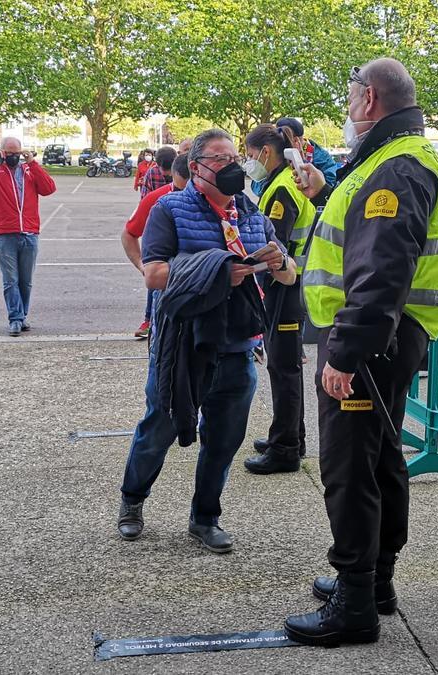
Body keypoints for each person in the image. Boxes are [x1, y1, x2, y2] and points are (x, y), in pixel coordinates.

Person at [284, 58, 438, 646]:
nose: (347, 107)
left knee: (350, 467)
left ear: (369, 98)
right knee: (381, 459)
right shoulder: (394, 158)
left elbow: (382, 268)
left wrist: (347, 352)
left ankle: (355, 602)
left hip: (369, 339)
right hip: (386, 337)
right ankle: (374, 583)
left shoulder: (397, 165)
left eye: (351, 94)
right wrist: (328, 191)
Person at [116, 129, 295, 554]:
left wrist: (280, 261)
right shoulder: (169, 209)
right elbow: (154, 274)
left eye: (235, 157)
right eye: (219, 158)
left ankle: (205, 518)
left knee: (224, 440)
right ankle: (132, 500)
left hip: (238, 346)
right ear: (195, 167)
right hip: (182, 346)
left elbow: (287, 274)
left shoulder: (251, 214)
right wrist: (217, 269)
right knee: (159, 427)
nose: (231, 165)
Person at [239, 124, 315, 474]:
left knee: (283, 367)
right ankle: (290, 436)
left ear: (265, 153)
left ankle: (284, 449)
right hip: (289, 285)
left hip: (286, 286)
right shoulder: (283, 182)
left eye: (250, 155)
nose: (248, 161)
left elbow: (275, 246)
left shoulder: (282, 189)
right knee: (285, 365)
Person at [0, 136, 57, 336]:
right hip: (4, 233)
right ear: (2, 152)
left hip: (29, 232)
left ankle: (22, 315)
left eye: (16, 154)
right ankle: (15, 318)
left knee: (25, 280)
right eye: (9, 154)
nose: (13, 157)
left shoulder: (28, 171)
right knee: (10, 279)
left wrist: (33, 163)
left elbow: (49, 188)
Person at [123, 155, 191, 338]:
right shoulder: (157, 199)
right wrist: (142, 265)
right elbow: (128, 233)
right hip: (166, 292)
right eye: (180, 189)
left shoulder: (220, 199)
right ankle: (149, 321)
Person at [252, 117, 340, 196]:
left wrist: (302, 168)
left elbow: (329, 189)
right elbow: (258, 187)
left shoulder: (322, 158)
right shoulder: (277, 154)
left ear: (295, 140)